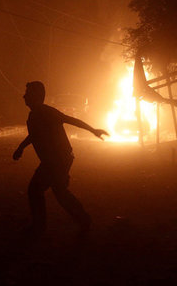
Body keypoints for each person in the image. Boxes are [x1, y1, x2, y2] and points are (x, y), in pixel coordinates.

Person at [13, 81, 108, 236]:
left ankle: (40, 226)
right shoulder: (36, 114)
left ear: (36, 96)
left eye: (28, 93)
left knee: (35, 190)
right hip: (56, 160)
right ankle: (83, 220)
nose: (24, 96)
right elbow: (34, 135)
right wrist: (21, 147)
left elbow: (73, 121)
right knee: (59, 192)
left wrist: (93, 130)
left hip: (57, 160)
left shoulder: (47, 112)